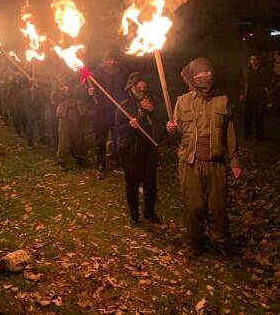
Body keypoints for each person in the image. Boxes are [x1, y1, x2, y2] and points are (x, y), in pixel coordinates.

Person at [166, 58, 241, 257]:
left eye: (210, 72)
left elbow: (230, 133)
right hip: (190, 163)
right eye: (203, 73)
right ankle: (195, 242)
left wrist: (234, 160)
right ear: (193, 77)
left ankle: (221, 243)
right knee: (194, 206)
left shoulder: (222, 100)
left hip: (216, 162)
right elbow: (178, 135)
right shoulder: (183, 101)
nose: (208, 76)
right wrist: (172, 129)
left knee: (218, 207)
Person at [115, 72, 160, 226]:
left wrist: (152, 111)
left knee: (150, 182)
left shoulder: (151, 103)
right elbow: (118, 130)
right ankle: (134, 215)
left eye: (144, 87)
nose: (142, 90)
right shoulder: (123, 106)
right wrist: (130, 125)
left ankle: (150, 212)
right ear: (131, 88)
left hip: (149, 149)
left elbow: (161, 123)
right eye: (138, 87)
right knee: (133, 182)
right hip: (130, 150)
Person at [88, 49, 127, 179]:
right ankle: (100, 166)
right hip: (101, 111)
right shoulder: (97, 73)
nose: (111, 62)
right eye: (109, 59)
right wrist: (89, 91)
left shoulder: (122, 73)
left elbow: (125, 89)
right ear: (104, 60)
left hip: (117, 110)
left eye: (113, 59)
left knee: (118, 139)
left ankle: (117, 163)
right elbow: (88, 90)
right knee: (100, 140)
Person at [54, 75, 87, 170]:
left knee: (78, 136)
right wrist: (63, 92)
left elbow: (83, 92)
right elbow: (54, 97)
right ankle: (62, 160)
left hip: (77, 111)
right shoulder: (58, 80)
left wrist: (70, 90)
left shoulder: (79, 78)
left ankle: (80, 157)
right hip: (64, 113)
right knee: (63, 137)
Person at [240, 54, 269, 140]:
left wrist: (267, 90)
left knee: (259, 117)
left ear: (259, 60)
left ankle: (259, 135)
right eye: (252, 59)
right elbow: (243, 82)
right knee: (247, 116)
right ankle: (247, 134)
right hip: (249, 97)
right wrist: (242, 93)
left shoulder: (263, 71)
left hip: (260, 97)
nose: (254, 61)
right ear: (250, 61)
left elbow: (268, 81)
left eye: (255, 59)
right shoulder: (247, 71)